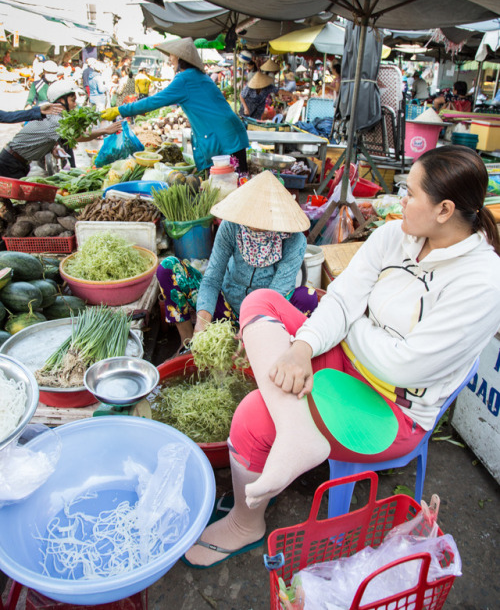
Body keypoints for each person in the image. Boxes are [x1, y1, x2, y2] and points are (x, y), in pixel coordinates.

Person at [184, 145, 500, 568]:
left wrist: (350, 326)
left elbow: (405, 364)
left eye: (410, 192)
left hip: (392, 405)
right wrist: (302, 347)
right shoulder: (395, 236)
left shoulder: (482, 282)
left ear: (444, 210)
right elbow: (341, 300)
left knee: (252, 417)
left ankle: (247, 522)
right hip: (344, 359)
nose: (401, 198)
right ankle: (297, 433)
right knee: (259, 300)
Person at [157, 171, 318, 355]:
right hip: (225, 307)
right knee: (168, 267)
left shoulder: (294, 240)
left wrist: (251, 327)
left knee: (309, 297)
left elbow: (277, 294)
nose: (254, 225)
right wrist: (201, 325)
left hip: (266, 316)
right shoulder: (231, 226)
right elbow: (212, 279)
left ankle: (270, 349)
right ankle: (188, 344)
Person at [102, 38, 249, 173]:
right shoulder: (198, 75)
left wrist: (120, 109)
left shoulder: (185, 78)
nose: (169, 59)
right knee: (235, 184)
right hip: (231, 134)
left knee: (230, 187)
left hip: (225, 138)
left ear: (180, 57)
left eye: (171, 55)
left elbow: (153, 101)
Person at [0, 79, 122, 179]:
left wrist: (53, 147)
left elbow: (45, 136)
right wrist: (105, 130)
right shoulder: (55, 119)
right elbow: (78, 136)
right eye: (72, 100)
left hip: (18, 162)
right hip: (10, 163)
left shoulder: (57, 118)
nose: (75, 104)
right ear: (61, 101)